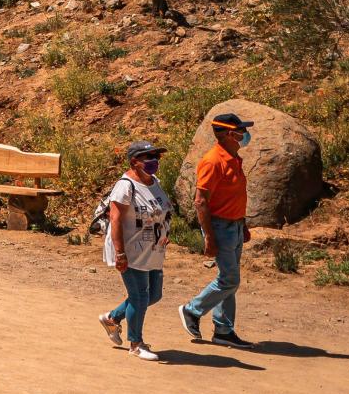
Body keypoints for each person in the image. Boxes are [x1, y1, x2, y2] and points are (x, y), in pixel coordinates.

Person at [179, 112, 255, 349]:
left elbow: (235, 195)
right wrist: (209, 236)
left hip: (235, 226)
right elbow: (200, 201)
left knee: (228, 282)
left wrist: (243, 224)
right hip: (220, 227)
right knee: (230, 280)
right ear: (230, 134)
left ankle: (223, 330)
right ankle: (192, 310)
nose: (245, 134)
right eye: (241, 130)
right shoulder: (213, 161)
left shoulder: (234, 158)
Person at [99, 141, 173, 361]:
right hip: (130, 250)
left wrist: (165, 232)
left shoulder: (154, 182)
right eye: (148, 157)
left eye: (156, 156)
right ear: (134, 161)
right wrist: (120, 253)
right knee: (140, 296)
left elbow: (161, 211)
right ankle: (136, 343)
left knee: (153, 295)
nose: (154, 161)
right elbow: (116, 219)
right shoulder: (125, 186)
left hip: (152, 249)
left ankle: (113, 318)